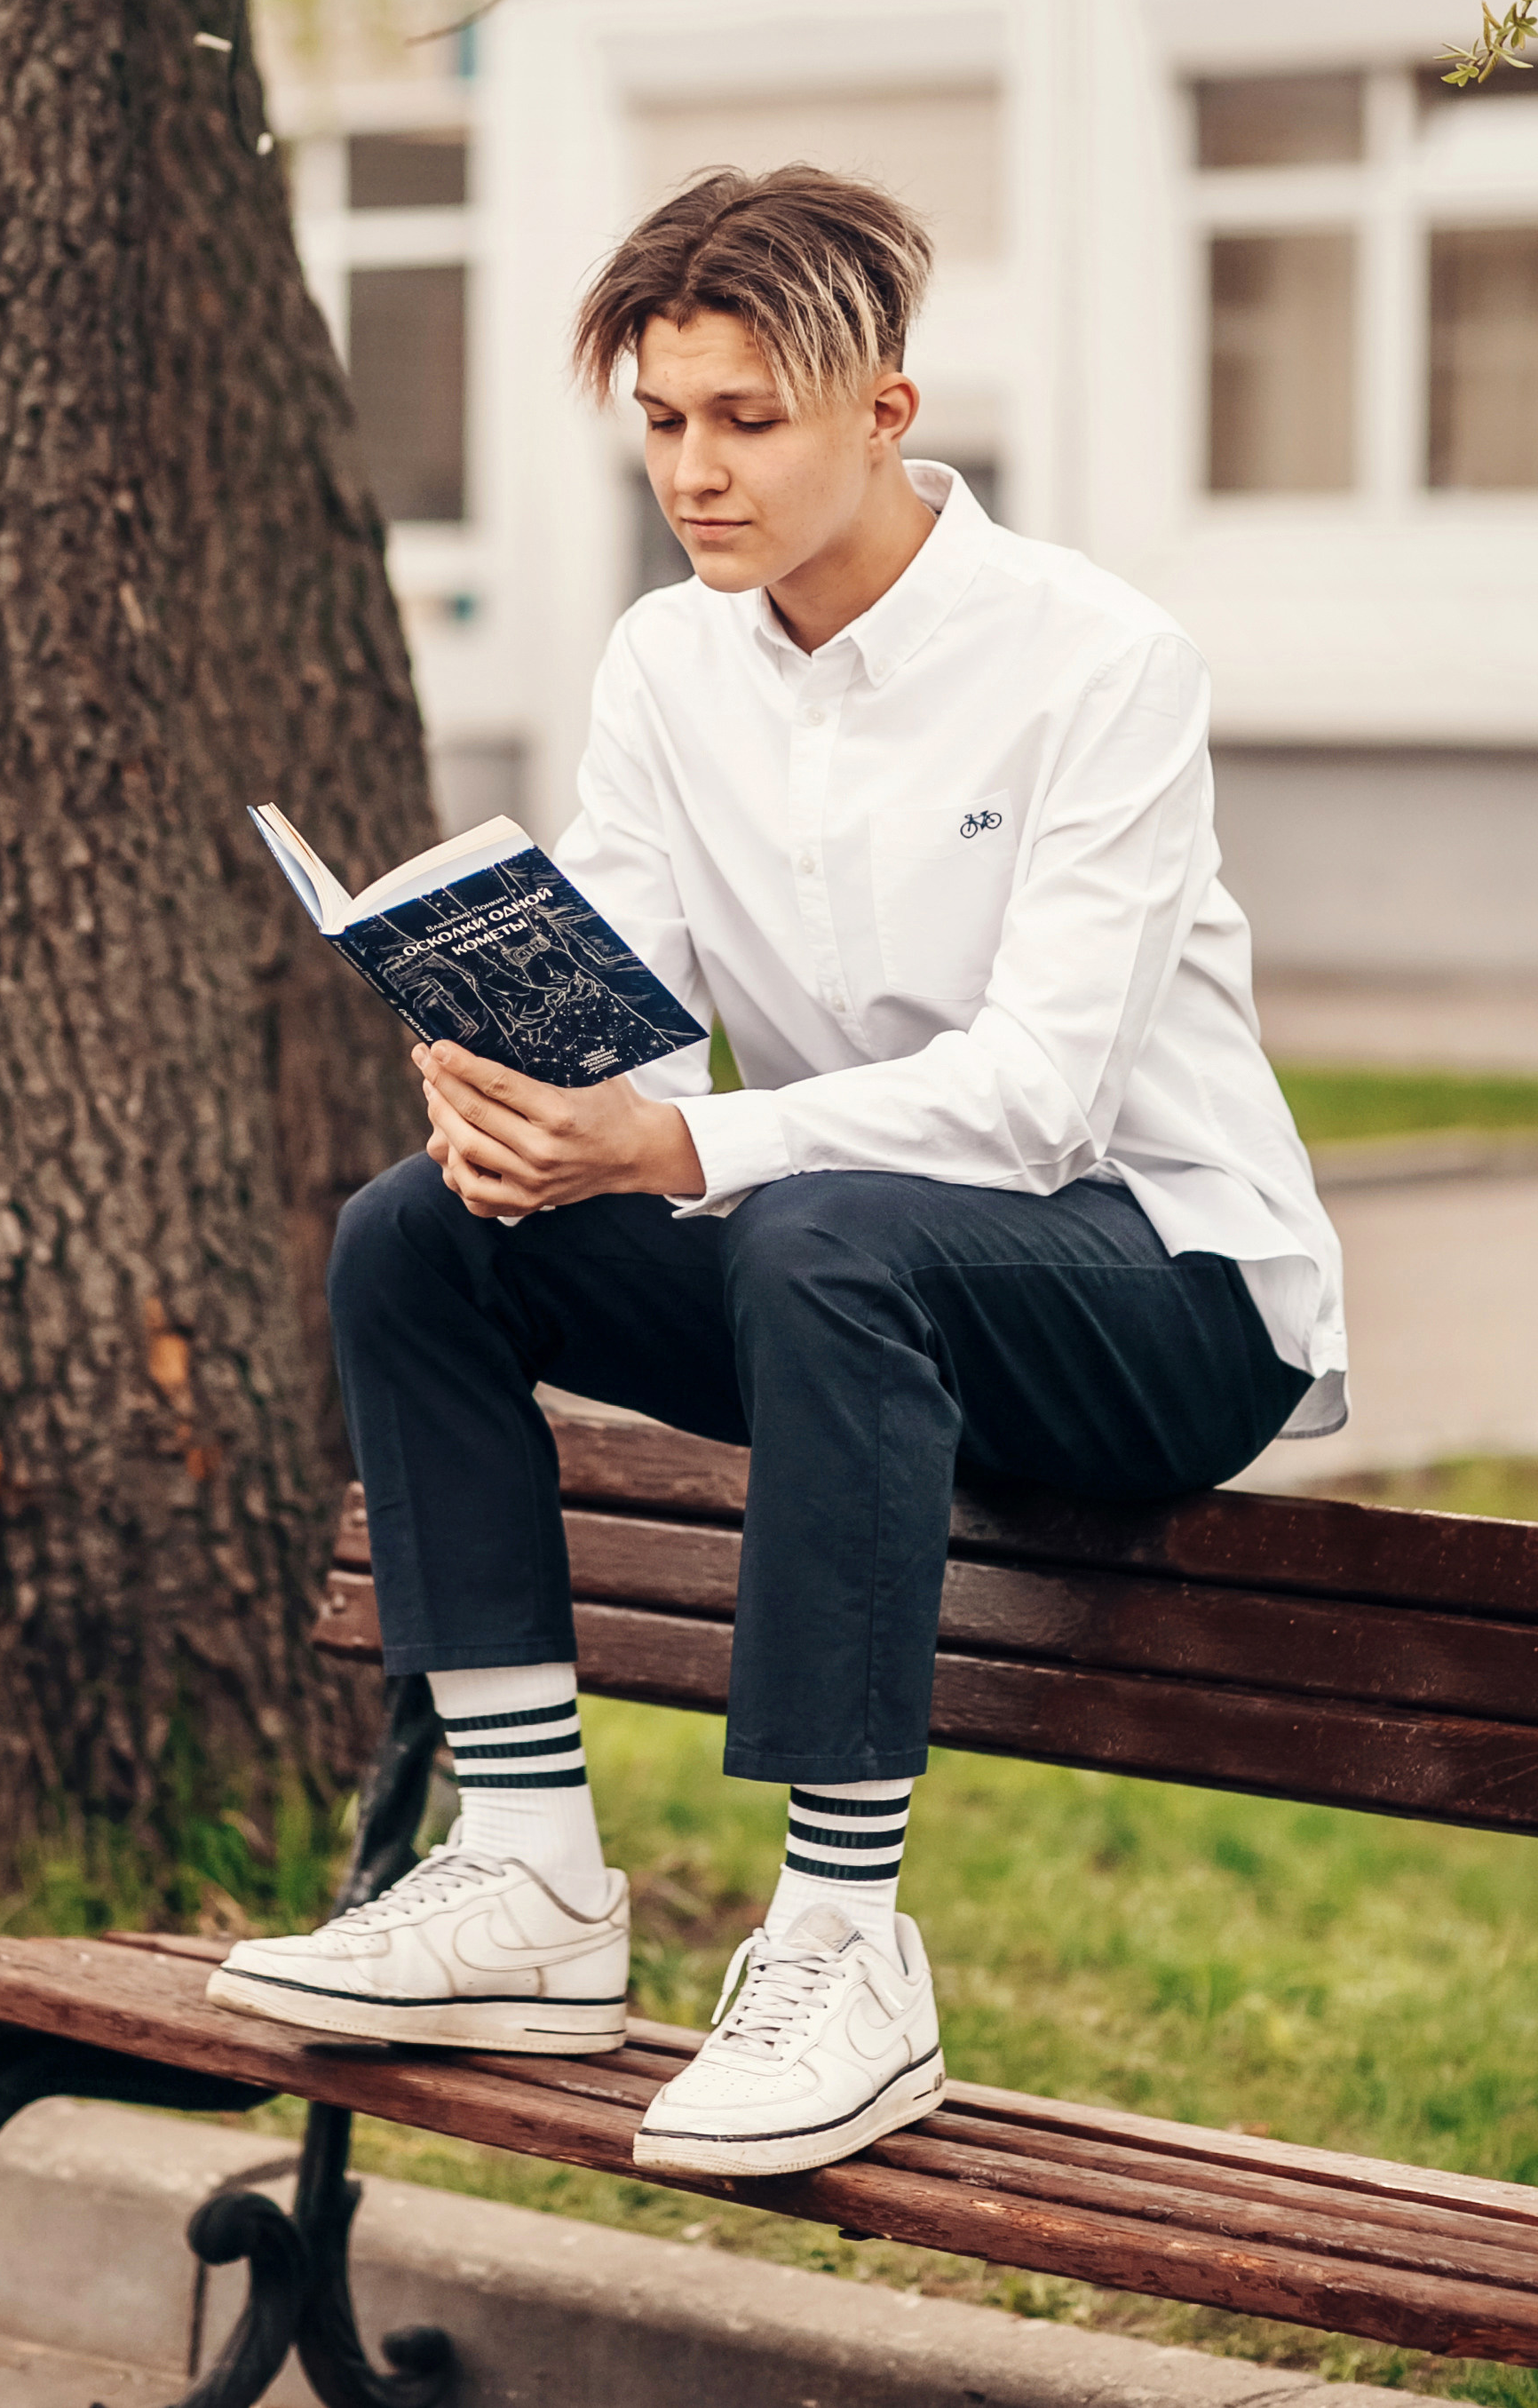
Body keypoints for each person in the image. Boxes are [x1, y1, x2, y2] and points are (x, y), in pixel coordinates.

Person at [210, 164, 1345, 2181]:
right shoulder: (668, 663)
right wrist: (519, 1081)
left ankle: (839, 1945)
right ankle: (532, 1875)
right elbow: (632, 1002)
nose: (693, 470)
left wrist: (679, 1139)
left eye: (746, 420)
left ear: (885, 412)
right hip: (859, 1281)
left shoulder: (1099, 661)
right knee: (424, 1233)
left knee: (816, 1229)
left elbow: (1035, 1101)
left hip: (1162, 1300)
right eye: (661, 421)